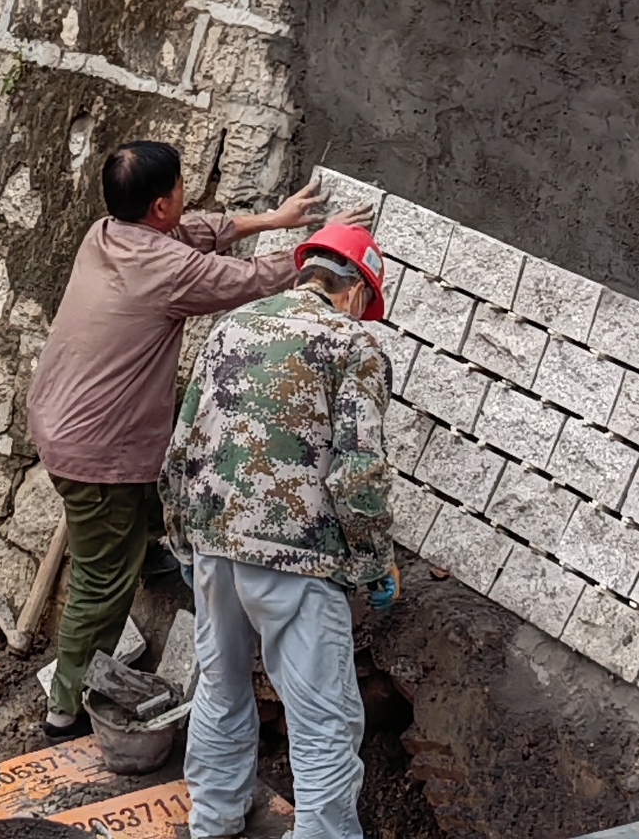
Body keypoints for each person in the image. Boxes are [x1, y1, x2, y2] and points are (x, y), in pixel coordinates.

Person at [25, 143, 336, 741]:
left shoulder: (104, 235)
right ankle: (65, 706)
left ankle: (153, 550)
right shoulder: (169, 271)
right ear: (161, 203)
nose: (186, 196)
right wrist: (323, 250)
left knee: (132, 507)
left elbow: (189, 235)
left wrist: (274, 219)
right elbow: (242, 279)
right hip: (98, 446)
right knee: (99, 577)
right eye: (181, 188)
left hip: (64, 416)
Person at [166, 224, 394, 839]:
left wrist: (184, 539)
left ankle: (213, 820)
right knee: (323, 716)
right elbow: (359, 469)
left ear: (307, 271)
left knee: (220, 686)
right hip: (298, 556)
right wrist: (374, 562)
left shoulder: (230, 328)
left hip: (215, 541)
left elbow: (183, 443)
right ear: (355, 292)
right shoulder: (355, 345)